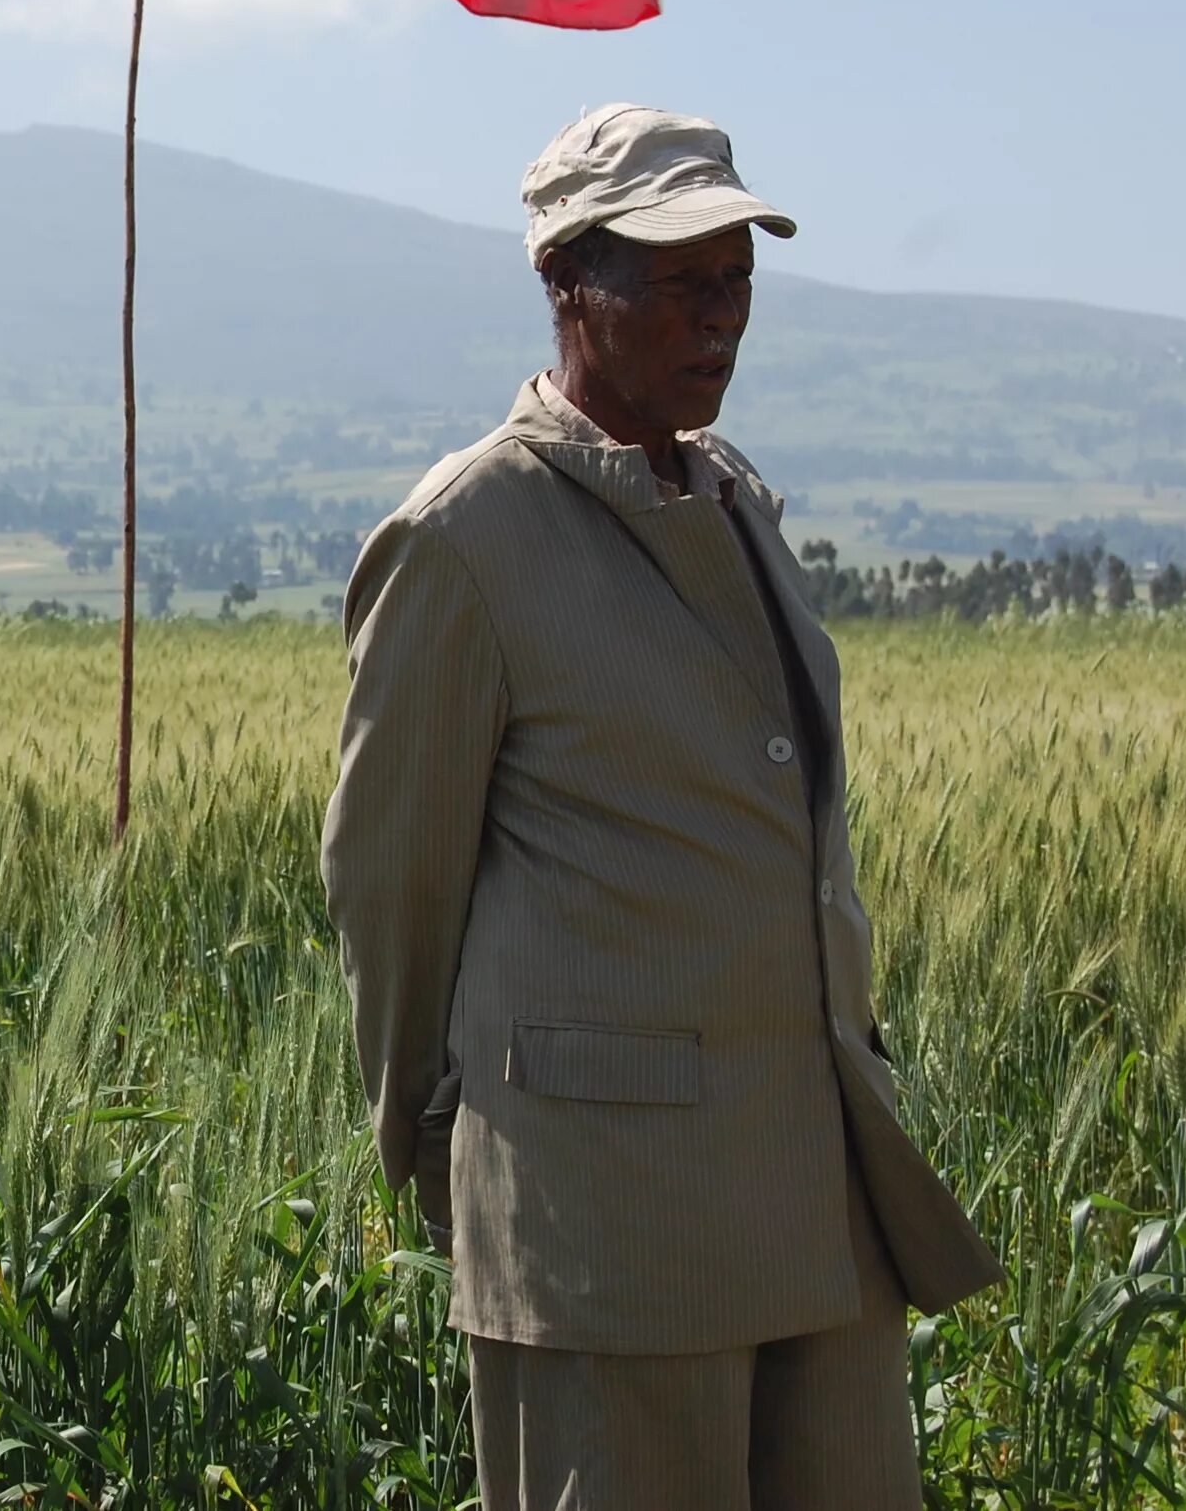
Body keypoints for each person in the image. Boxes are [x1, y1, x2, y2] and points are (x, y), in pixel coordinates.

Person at [320, 103, 1002, 1510]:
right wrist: (443, 1149)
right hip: (603, 1228)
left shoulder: (738, 498)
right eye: (681, 282)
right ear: (570, 280)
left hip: (817, 1196)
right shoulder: (465, 538)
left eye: (738, 280)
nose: (722, 318)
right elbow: (390, 885)